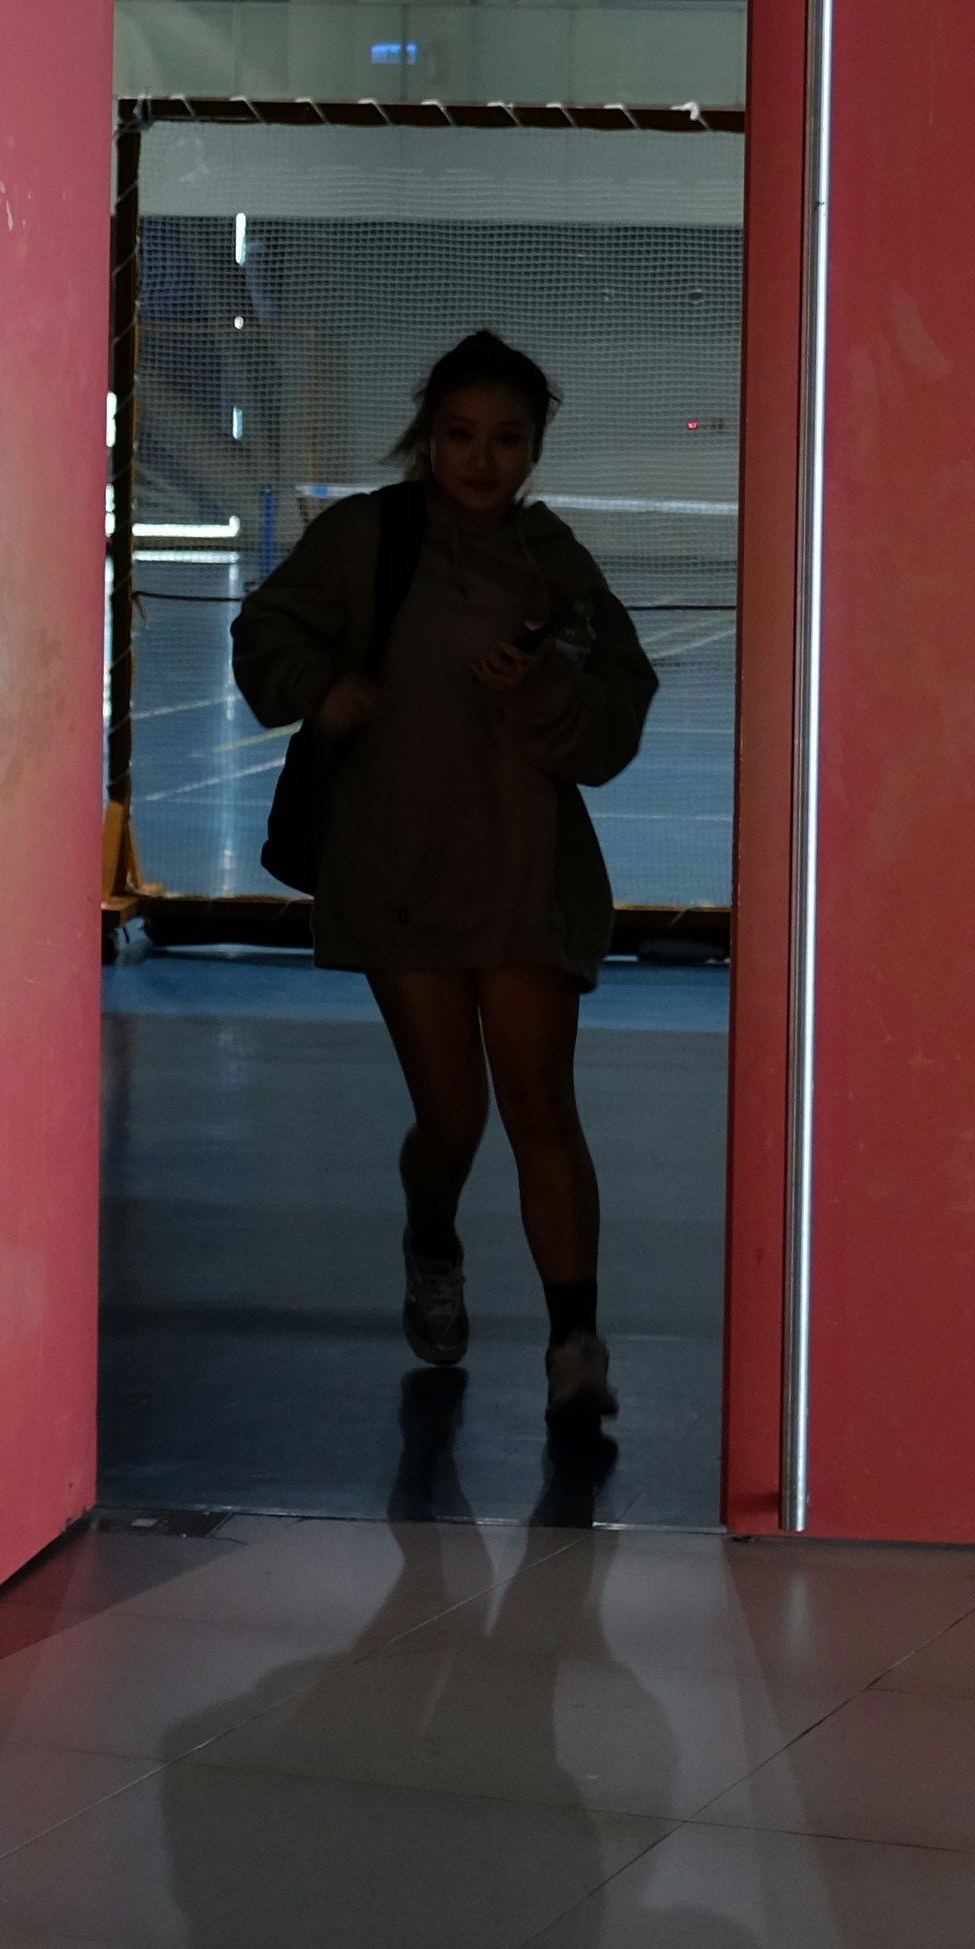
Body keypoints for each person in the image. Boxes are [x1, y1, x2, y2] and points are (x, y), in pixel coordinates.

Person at [232, 330, 657, 1421]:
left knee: (540, 1106)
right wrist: (322, 692)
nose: (483, 460)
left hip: (525, 874)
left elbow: (612, 721)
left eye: (507, 439)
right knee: (454, 1118)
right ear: (429, 437)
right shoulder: (367, 538)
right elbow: (267, 632)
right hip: (399, 871)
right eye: (462, 436)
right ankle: (431, 1237)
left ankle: (576, 1347)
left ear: (535, 448)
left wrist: (540, 693)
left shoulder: (553, 562)